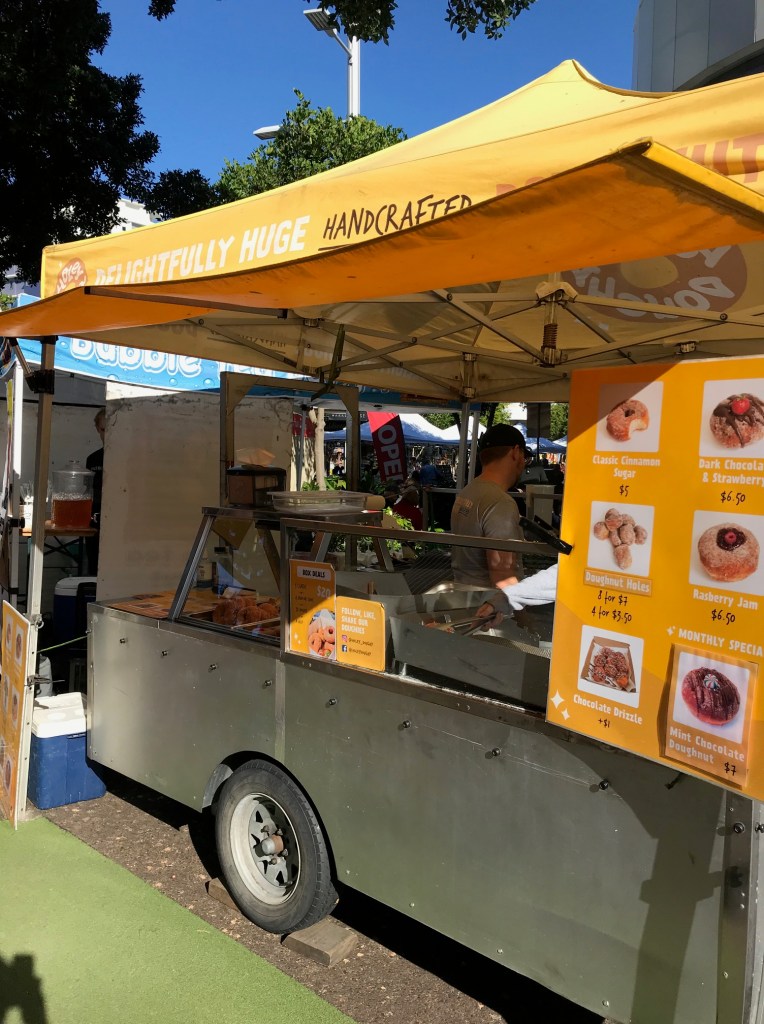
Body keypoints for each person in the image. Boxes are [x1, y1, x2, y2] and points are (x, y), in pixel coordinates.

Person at [450, 423, 529, 592]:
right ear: (515, 452)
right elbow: (503, 577)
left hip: (463, 599)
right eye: (524, 456)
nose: (524, 463)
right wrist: (525, 617)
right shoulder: (501, 502)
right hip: (490, 610)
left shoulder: (467, 492)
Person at [85, 407, 105, 575]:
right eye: (103, 429)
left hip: (119, 524)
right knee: (94, 567)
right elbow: (87, 490)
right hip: (94, 522)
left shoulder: (131, 457)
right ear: (98, 429)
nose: (106, 434)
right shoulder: (93, 458)